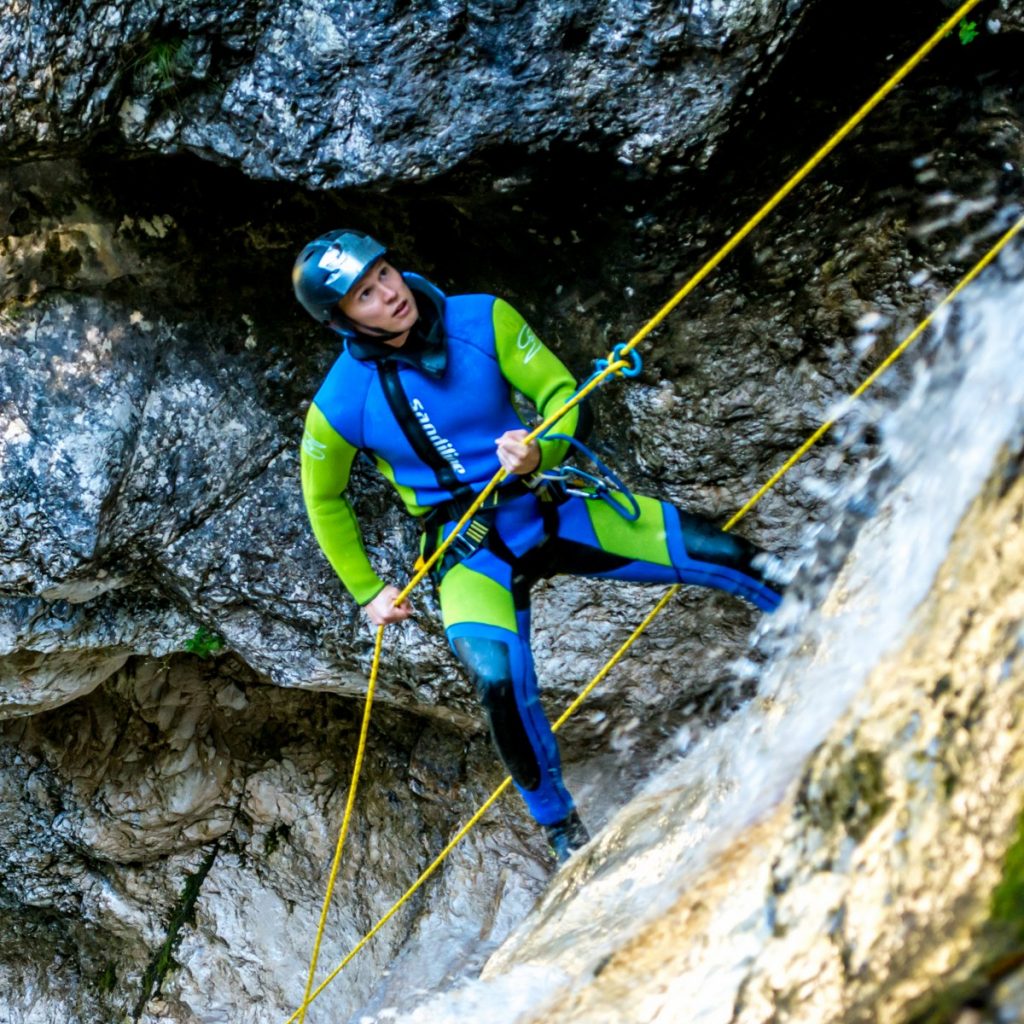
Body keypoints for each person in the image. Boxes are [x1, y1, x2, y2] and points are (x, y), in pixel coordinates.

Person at [295, 229, 786, 863]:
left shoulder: (481, 317)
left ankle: (818, 616)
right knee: (498, 681)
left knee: (717, 550)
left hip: (548, 504)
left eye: (385, 272)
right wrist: (367, 590)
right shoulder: (339, 405)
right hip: (469, 552)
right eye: (365, 293)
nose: (389, 293)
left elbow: (559, 390)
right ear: (341, 319)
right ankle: (561, 832)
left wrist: (540, 449)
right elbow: (323, 498)